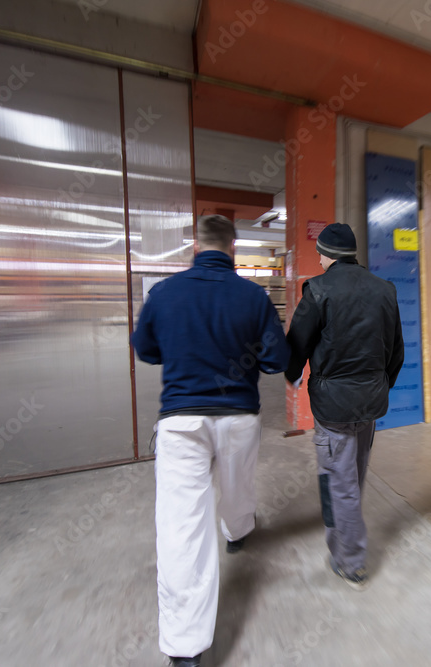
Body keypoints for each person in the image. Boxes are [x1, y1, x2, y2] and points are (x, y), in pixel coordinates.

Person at [131, 214, 288, 667]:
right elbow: (277, 359)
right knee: (237, 488)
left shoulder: (164, 292)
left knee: (182, 527)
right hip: (239, 416)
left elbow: (145, 349)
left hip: (181, 421)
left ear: (195, 245)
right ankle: (237, 533)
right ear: (232, 246)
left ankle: (185, 651)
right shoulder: (253, 296)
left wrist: (180, 348)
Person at [284, 222, 404, 590]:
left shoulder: (318, 290)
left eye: (319, 252)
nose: (318, 258)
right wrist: (379, 386)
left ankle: (350, 561)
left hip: (333, 407)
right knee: (354, 475)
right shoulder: (384, 290)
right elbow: (396, 352)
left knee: (339, 483)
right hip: (370, 403)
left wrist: (293, 376)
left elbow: (296, 345)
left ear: (327, 255)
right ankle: (345, 544)